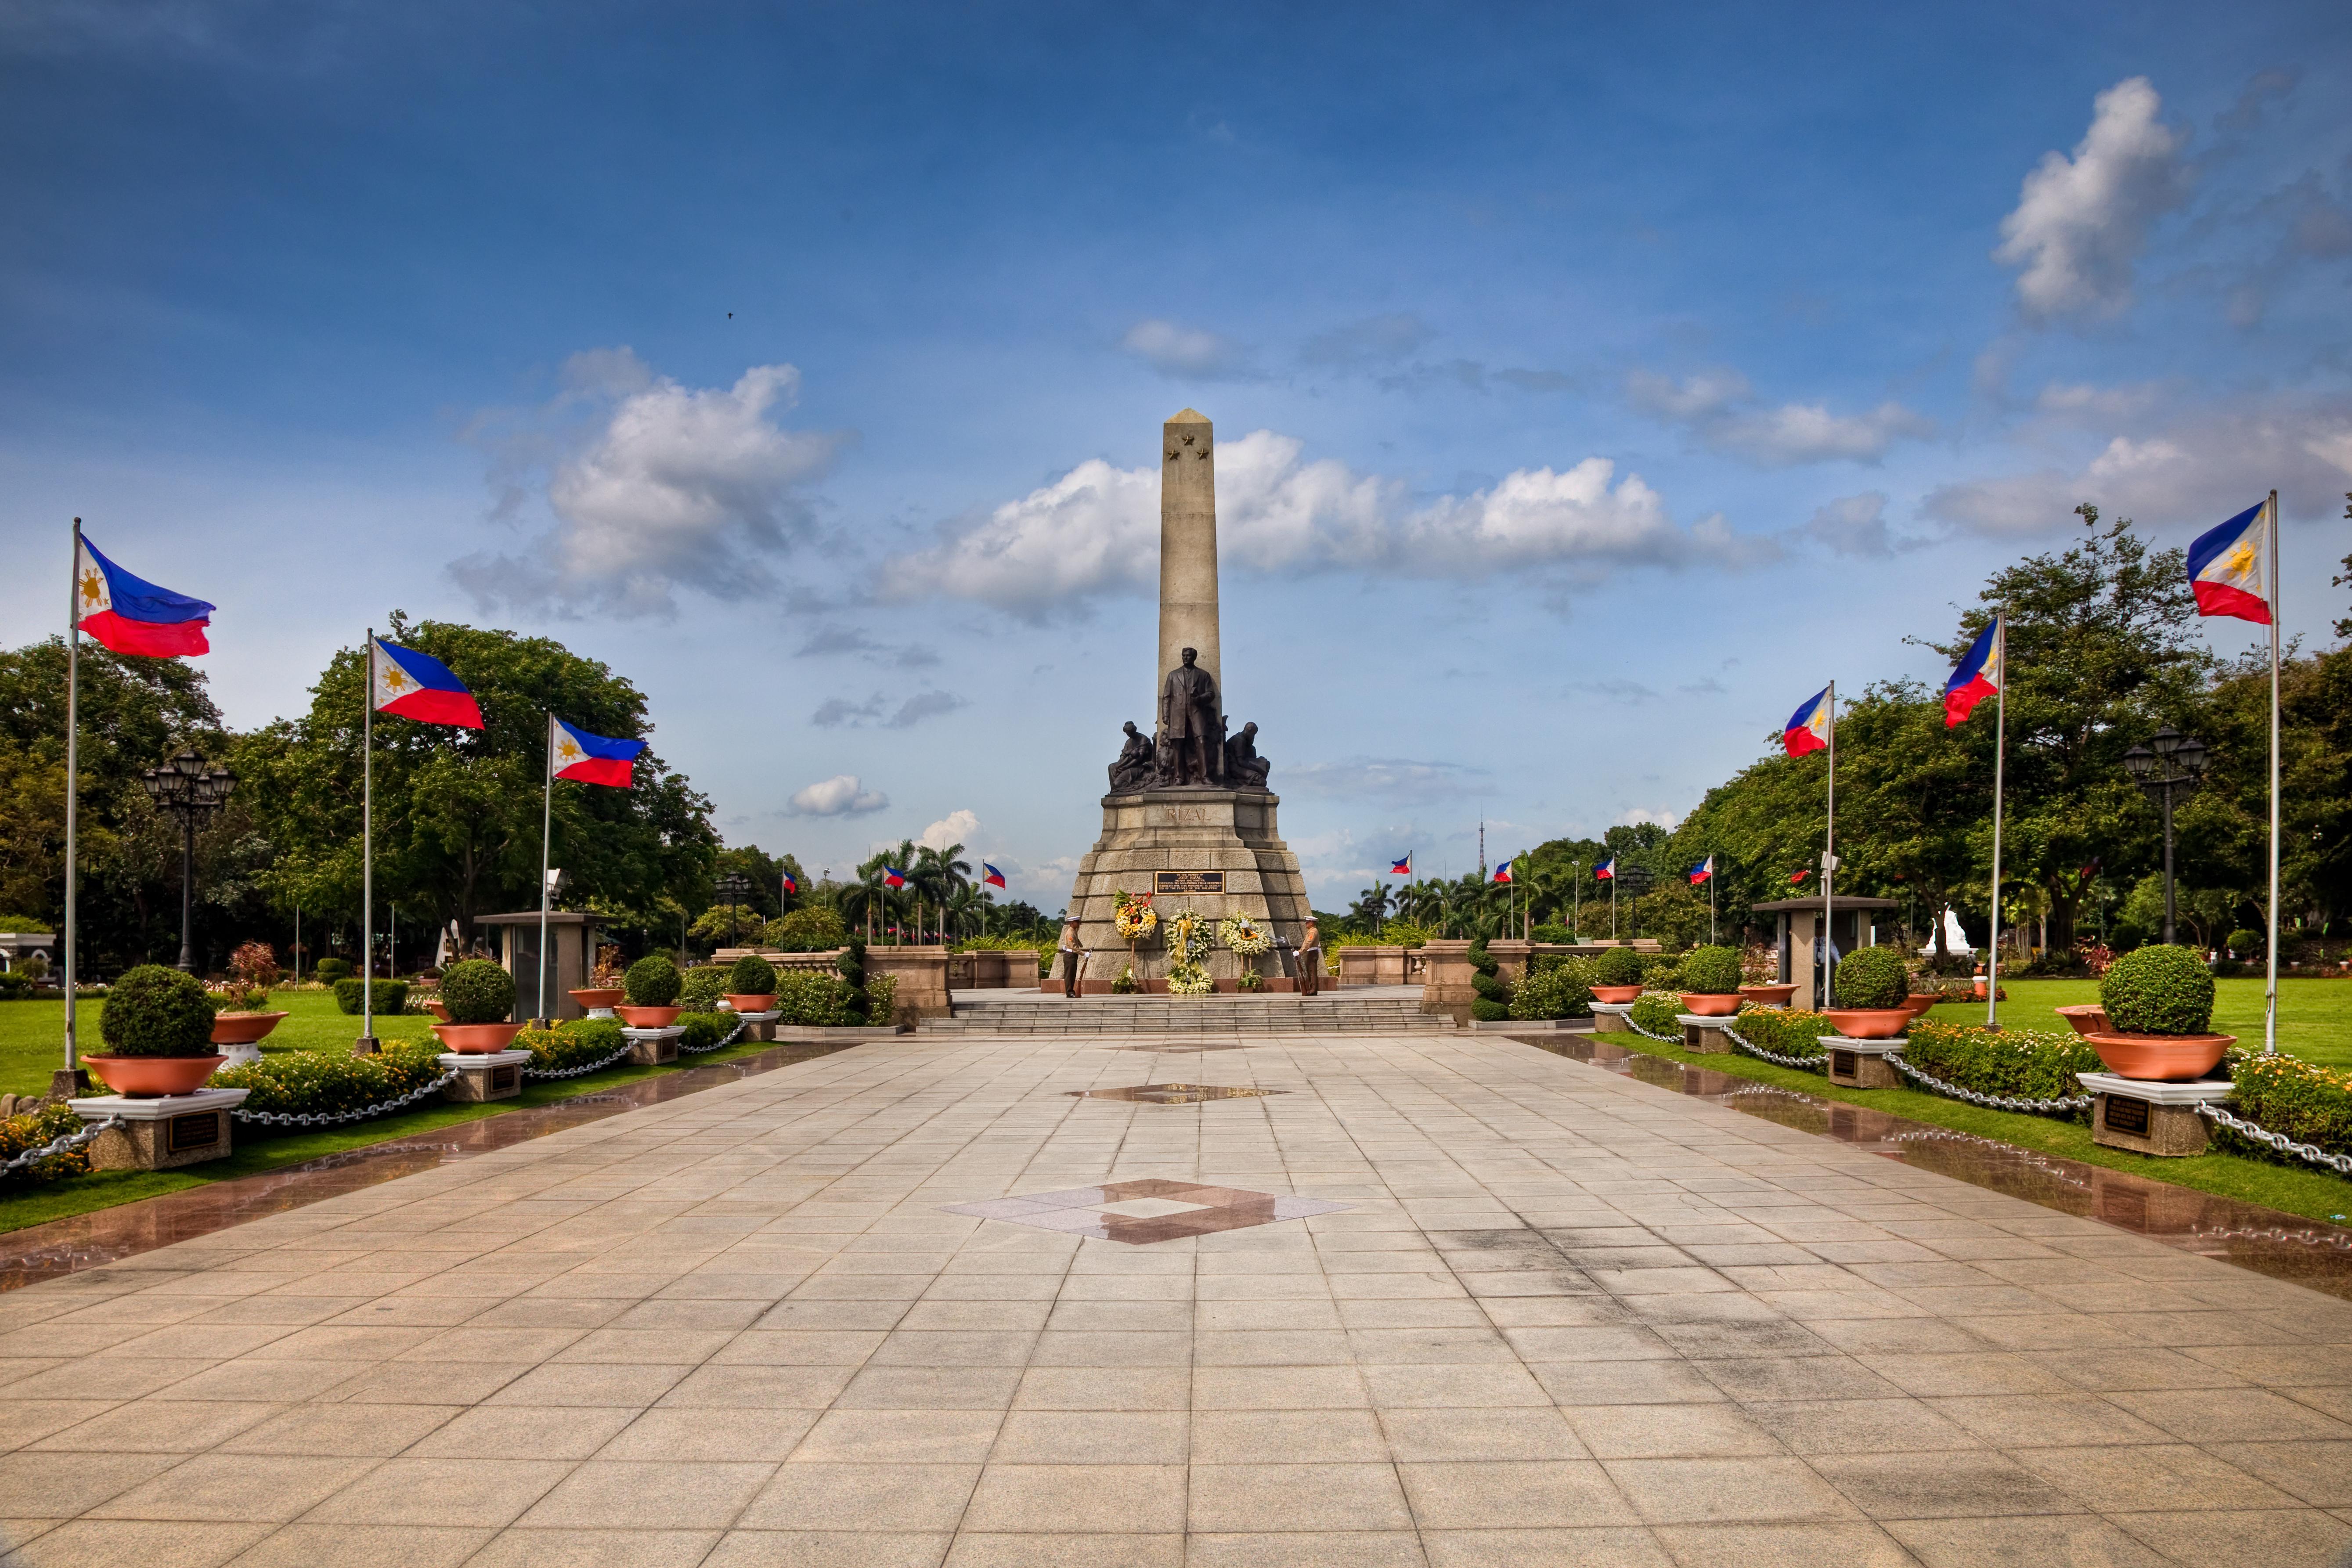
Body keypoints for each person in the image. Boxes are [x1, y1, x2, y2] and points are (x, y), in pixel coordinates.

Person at [1057, 919, 1086, 1000]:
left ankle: (1071, 992)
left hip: (1072, 956)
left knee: (1072, 975)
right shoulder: (1071, 933)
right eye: (1077, 922)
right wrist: (1084, 954)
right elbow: (1074, 947)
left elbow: (1076, 943)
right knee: (1070, 975)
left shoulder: (1074, 931)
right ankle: (1070, 993)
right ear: (1072, 923)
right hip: (1070, 956)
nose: (1079, 924)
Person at [1295, 916, 1322, 997]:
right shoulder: (1311, 931)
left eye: (1307, 922)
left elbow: (1308, 943)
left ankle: (1313, 990)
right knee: (1310, 971)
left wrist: (1300, 952)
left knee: (1312, 972)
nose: (1306, 924)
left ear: (1312, 923)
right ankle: (1312, 989)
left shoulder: (1313, 932)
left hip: (1312, 953)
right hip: (1310, 953)